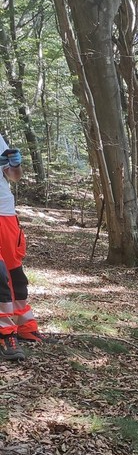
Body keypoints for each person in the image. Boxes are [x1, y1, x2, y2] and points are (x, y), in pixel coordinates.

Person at [0, 135, 41, 362]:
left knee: (16, 274)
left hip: (5, 212)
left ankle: (22, 326)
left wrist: (15, 164)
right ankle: (5, 334)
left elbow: (14, 177)